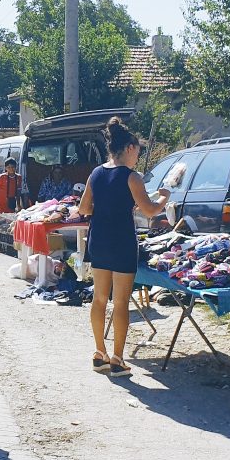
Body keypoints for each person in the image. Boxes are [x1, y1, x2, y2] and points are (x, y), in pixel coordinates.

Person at [79, 117, 169, 379]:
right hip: (121, 242)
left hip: (99, 240)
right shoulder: (132, 177)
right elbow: (151, 210)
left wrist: (104, 209)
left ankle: (99, 353)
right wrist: (165, 196)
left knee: (98, 298)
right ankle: (117, 359)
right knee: (119, 303)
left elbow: (84, 209)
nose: (137, 158)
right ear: (129, 148)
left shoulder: (95, 173)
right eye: (137, 152)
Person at [0, 157, 24, 224]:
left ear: (16, 167)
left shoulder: (18, 177)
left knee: (10, 221)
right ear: (6, 168)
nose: (11, 169)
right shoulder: (2, 177)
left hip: (11, 202)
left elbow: (18, 192)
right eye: (9, 167)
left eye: (13, 167)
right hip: (1, 203)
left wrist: (18, 204)